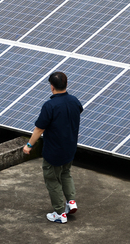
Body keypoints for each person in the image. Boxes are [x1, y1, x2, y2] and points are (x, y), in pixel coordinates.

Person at [23, 71, 83, 224]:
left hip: (54, 152)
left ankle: (59, 213)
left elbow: (39, 129)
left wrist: (29, 145)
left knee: (52, 180)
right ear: (66, 84)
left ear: (51, 87)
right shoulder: (74, 101)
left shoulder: (50, 105)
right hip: (70, 148)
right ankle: (71, 202)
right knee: (65, 173)